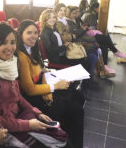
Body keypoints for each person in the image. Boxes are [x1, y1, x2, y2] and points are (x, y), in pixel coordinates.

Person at [0, 23, 68, 148]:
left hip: (20, 116)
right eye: (3, 43)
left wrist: (36, 112)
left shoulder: (10, 64)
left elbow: (18, 96)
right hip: (6, 128)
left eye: (12, 42)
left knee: (61, 137)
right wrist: (28, 124)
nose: (10, 47)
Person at [17, 20, 84, 148]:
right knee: (76, 109)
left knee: (77, 96)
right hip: (33, 99)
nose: (33, 36)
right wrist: (55, 86)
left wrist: (46, 74)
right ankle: (72, 142)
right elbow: (29, 89)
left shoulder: (32, 50)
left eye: (35, 33)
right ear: (20, 35)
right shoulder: (22, 56)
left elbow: (39, 70)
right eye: (29, 33)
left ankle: (70, 136)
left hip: (42, 87)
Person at [66, 6, 115, 78]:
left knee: (97, 46)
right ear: (68, 13)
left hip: (80, 37)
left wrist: (84, 28)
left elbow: (79, 30)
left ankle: (102, 69)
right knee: (96, 45)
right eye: (74, 13)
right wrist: (82, 29)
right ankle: (101, 70)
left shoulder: (76, 19)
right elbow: (74, 35)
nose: (76, 14)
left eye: (77, 12)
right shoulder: (68, 21)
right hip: (77, 41)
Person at [82, 1, 126, 73]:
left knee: (104, 42)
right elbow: (91, 28)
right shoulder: (91, 15)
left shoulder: (90, 13)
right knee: (105, 38)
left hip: (87, 34)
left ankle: (106, 63)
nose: (100, 10)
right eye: (99, 8)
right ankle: (115, 52)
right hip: (86, 36)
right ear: (95, 8)